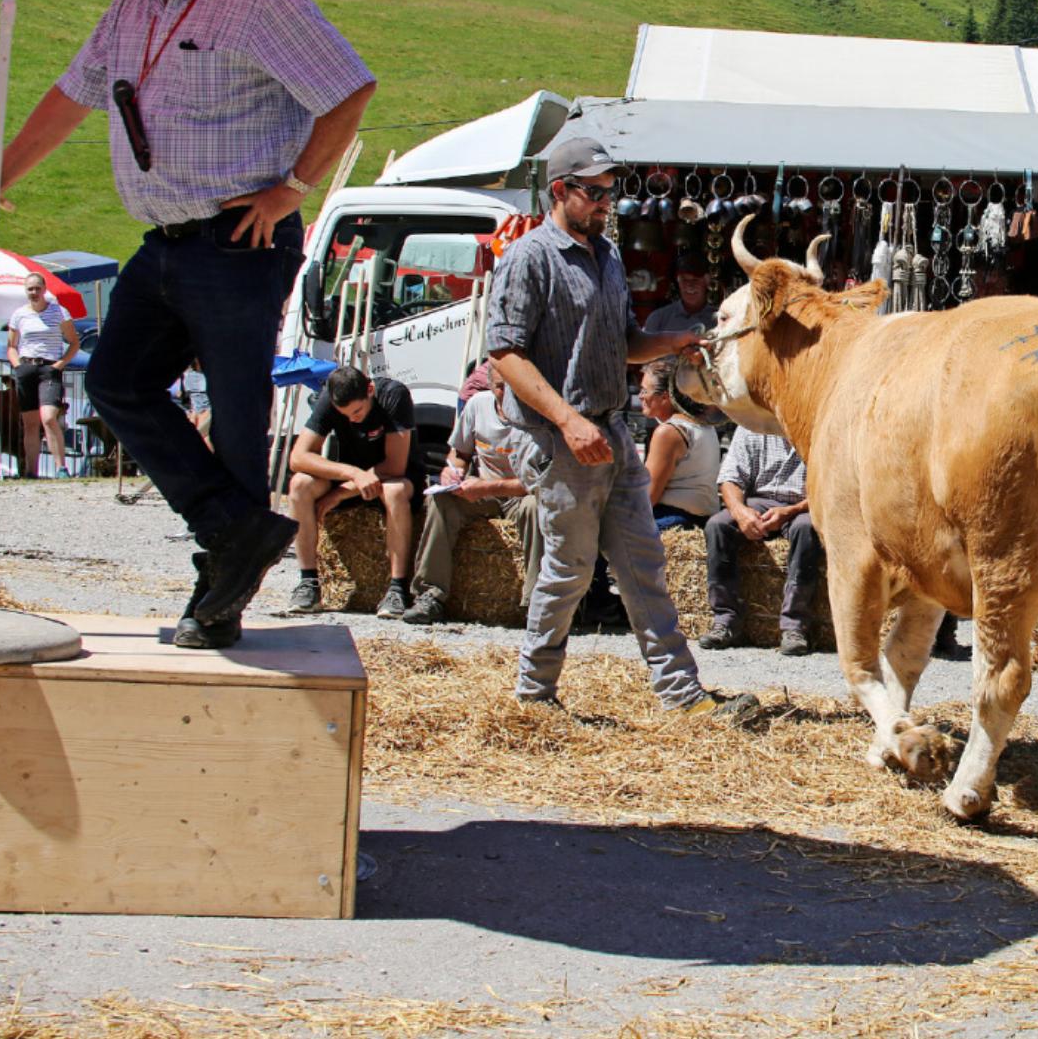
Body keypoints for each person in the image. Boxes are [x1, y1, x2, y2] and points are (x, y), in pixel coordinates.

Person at [0, 0, 375, 649]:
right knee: (116, 382)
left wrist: (292, 186)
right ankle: (234, 528)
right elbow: (74, 91)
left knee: (236, 419)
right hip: (164, 240)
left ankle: (218, 599)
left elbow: (349, 88)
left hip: (239, 240)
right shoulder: (130, 4)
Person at [484, 135, 755, 719]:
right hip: (562, 440)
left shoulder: (606, 256)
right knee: (570, 570)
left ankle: (682, 695)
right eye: (596, 191)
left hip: (609, 432)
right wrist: (566, 419)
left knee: (643, 565)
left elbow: (627, 345)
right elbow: (504, 353)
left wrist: (677, 340)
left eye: (612, 190)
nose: (608, 201)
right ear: (561, 191)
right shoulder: (529, 258)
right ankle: (533, 695)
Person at [402, 363, 542, 627]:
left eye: (514, 387)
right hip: (483, 492)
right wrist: (452, 472)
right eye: (501, 387)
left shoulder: (536, 415)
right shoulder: (478, 406)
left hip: (521, 492)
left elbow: (535, 482)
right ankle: (430, 594)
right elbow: (459, 453)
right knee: (440, 500)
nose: (507, 393)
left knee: (536, 507)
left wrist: (486, 487)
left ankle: (535, 603)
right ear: (491, 385)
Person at [287, 366, 423, 617]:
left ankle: (398, 588)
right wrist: (352, 475)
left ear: (370, 390)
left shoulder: (394, 395)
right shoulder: (331, 396)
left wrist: (341, 492)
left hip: (394, 477)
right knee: (299, 484)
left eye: (357, 412)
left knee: (393, 491)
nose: (352, 420)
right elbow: (297, 457)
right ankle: (308, 582)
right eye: (344, 415)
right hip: (354, 475)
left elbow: (394, 466)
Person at [702, 426, 823, 657]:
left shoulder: (817, 430)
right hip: (759, 501)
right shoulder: (751, 428)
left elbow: (831, 488)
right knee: (718, 526)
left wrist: (789, 511)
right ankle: (725, 620)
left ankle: (794, 626)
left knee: (806, 528)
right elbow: (729, 479)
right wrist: (740, 512)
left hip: (804, 504)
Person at [4, 274, 81, 478]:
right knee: (30, 422)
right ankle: (31, 471)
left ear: (44, 289)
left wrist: (59, 365)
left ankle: (61, 467)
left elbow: (74, 342)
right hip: (26, 366)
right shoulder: (19, 314)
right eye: (30, 289)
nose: (34, 293)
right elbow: (11, 346)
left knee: (48, 417)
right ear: (25, 291)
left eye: (37, 288)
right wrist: (17, 365)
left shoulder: (59, 312)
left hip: (49, 368)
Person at [638, 358, 720, 529]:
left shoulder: (669, 432)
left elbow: (647, 498)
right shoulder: (703, 424)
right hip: (701, 519)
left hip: (674, 519)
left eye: (644, 391)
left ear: (665, 397)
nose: (640, 397)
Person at [642, 252, 718, 336]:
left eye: (695, 280)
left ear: (707, 281)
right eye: (684, 280)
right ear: (678, 281)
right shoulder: (658, 318)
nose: (690, 285)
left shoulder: (720, 319)